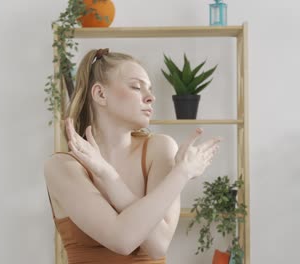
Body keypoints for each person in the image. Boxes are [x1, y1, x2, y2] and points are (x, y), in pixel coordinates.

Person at [44, 48, 222, 263]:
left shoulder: (160, 148)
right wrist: (181, 173)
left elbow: (158, 246)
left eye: (149, 89)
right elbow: (122, 240)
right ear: (100, 94)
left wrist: (108, 176)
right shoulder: (63, 166)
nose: (151, 97)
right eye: (136, 87)